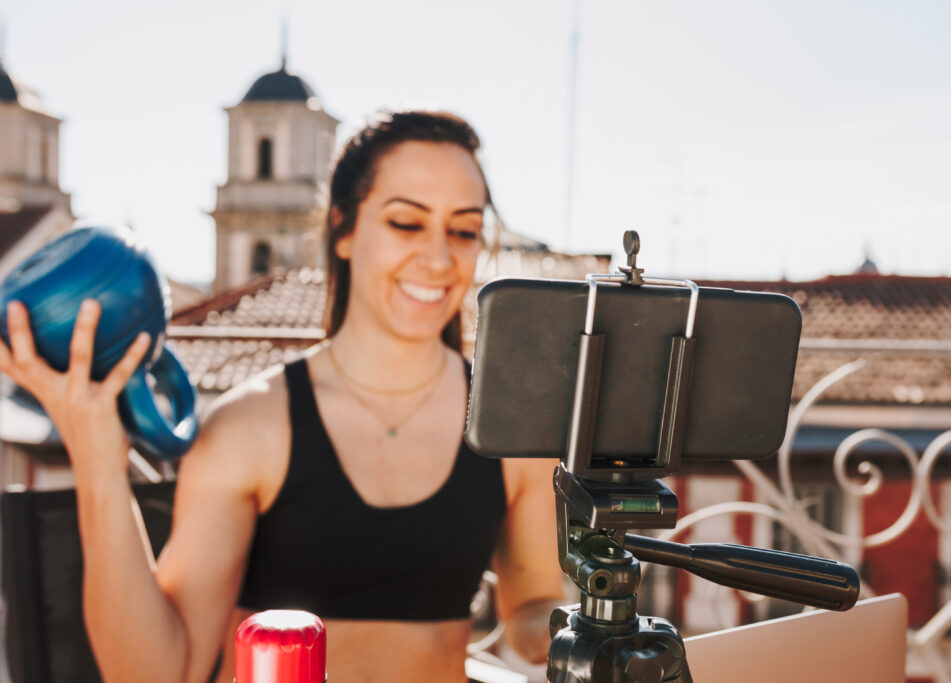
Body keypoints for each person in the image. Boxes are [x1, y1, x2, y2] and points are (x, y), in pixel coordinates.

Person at [0, 110, 565, 682]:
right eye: (406, 222)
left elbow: (530, 609)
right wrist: (98, 456)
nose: (441, 258)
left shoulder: (507, 427)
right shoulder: (249, 425)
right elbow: (157, 673)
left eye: (464, 230)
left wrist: (593, 626)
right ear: (343, 228)